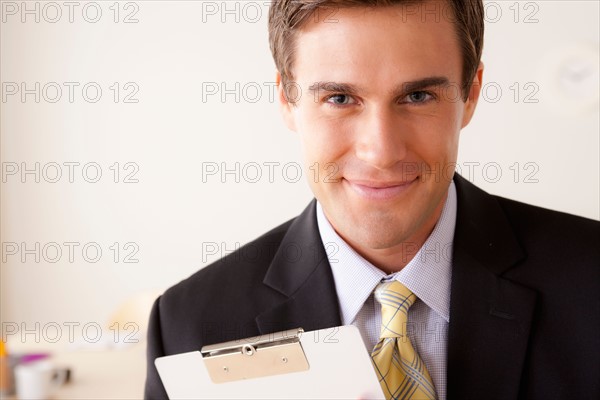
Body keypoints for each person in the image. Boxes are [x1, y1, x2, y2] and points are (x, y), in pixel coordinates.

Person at [144, 0, 600, 398]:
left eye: (418, 96)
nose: (381, 152)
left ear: (471, 93)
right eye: (340, 98)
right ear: (286, 98)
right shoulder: (188, 327)